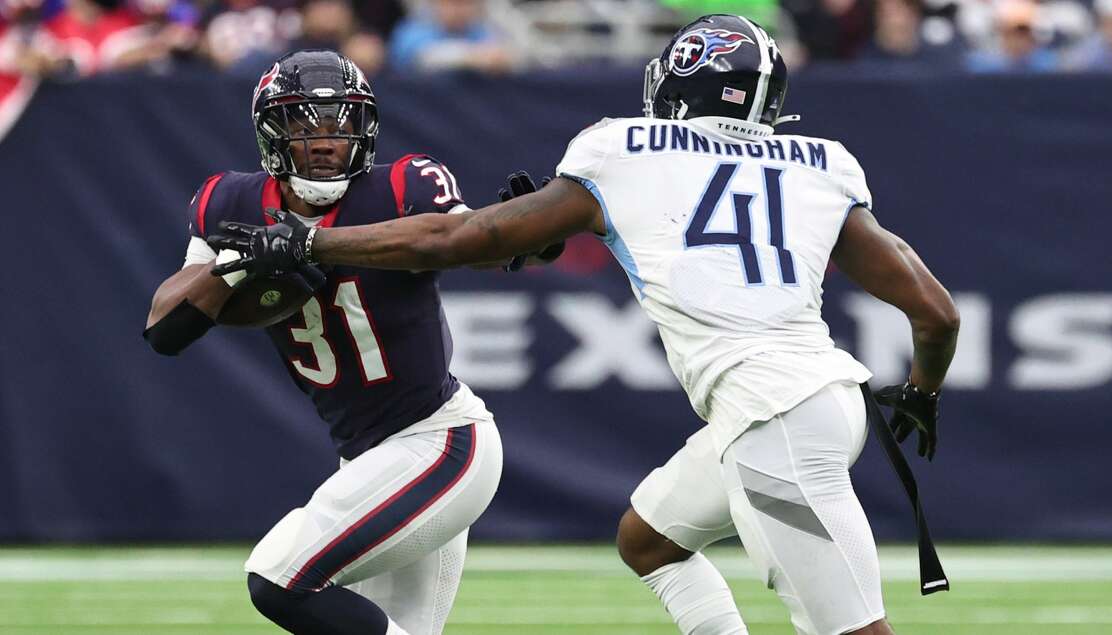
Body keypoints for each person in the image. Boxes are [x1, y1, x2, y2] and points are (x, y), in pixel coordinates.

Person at [209, 16, 960, 635]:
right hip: (814, 398)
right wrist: (922, 391)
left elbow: (453, 240)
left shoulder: (625, 148)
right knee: (649, 538)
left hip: (773, 419)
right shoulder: (819, 162)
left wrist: (312, 240)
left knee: (855, 632)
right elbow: (936, 312)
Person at [143, 49, 507, 635]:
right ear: (270, 131)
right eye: (303, 122)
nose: (324, 138)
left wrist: (309, 246)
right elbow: (166, 327)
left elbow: (459, 239)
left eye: (341, 120)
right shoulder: (229, 202)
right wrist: (238, 265)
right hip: (367, 457)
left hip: (439, 441)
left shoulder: (402, 183)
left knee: (279, 577)